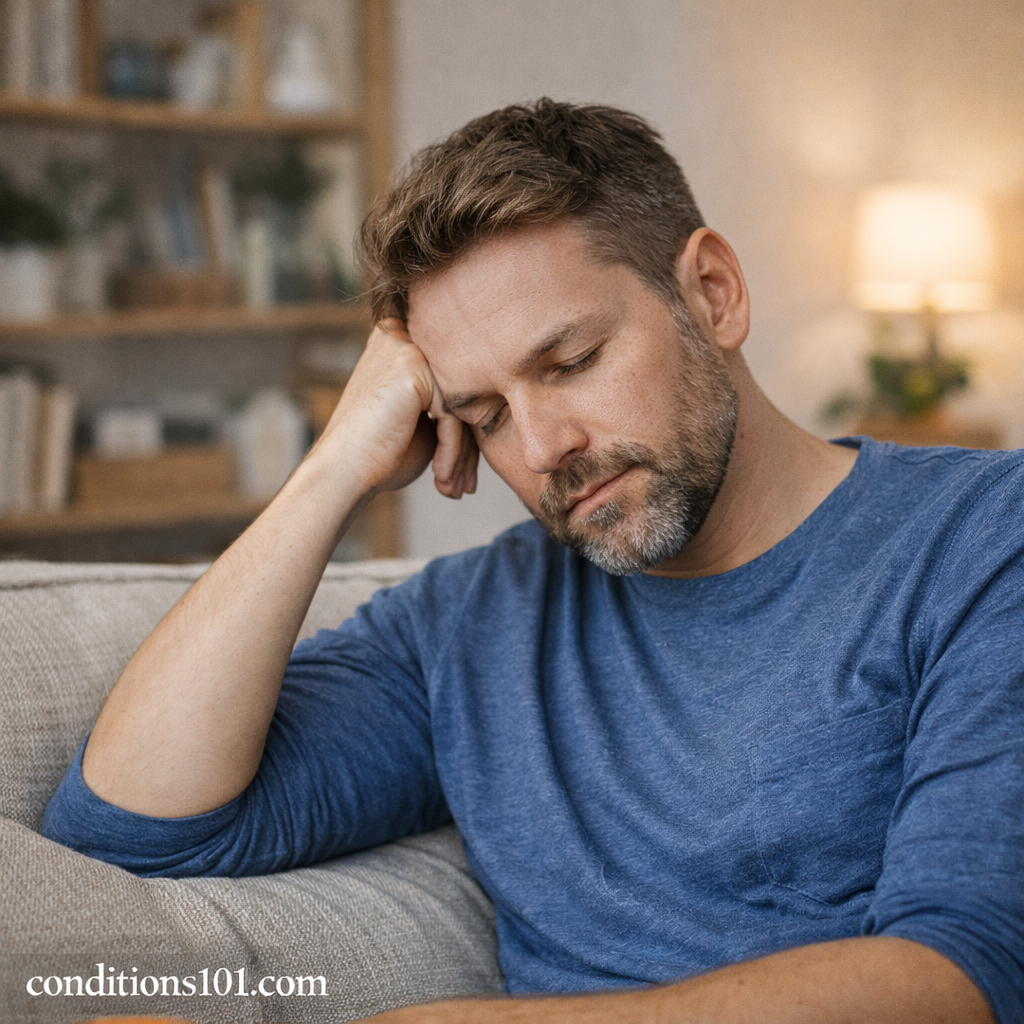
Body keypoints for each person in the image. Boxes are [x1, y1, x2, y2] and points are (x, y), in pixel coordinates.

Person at [43, 100, 1022, 1024]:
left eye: (571, 362)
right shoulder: (471, 623)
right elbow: (129, 825)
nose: (545, 446)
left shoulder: (980, 540)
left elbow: (964, 976)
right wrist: (332, 469)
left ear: (712, 294)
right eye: (486, 414)